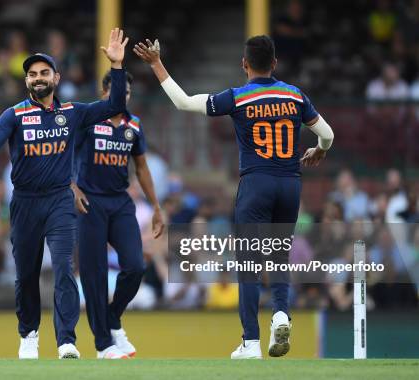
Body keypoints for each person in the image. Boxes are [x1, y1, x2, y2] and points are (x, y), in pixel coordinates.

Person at [134, 35, 334, 359]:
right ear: (275, 64)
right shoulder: (295, 96)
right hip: (290, 185)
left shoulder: (238, 98)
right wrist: (319, 151)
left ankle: (251, 342)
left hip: (256, 184)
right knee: (279, 255)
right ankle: (281, 314)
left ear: (244, 65)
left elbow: (183, 102)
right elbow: (327, 134)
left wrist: (156, 63)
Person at [0, 28, 128, 360]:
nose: (38, 78)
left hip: (59, 199)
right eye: (32, 74)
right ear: (26, 80)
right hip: (25, 202)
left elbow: (115, 103)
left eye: (44, 73)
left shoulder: (72, 112)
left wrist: (116, 67)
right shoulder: (15, 114)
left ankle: (66, 340)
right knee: (26, 274)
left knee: (63, 267)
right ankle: (28, 334)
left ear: (56, 77)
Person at [71, 71, 163, 359]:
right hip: (90, 201)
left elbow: (143, 168)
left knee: (135, 266)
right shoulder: (88, 119)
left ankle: (113, 318)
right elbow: (63, 157)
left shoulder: (133, 125)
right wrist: (72, 188)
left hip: (121, 202)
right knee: (94, 275)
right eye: (115, 94)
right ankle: (103, 345)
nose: (121, 99)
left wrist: (157, 207)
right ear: (104, 94)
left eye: (125, 94)